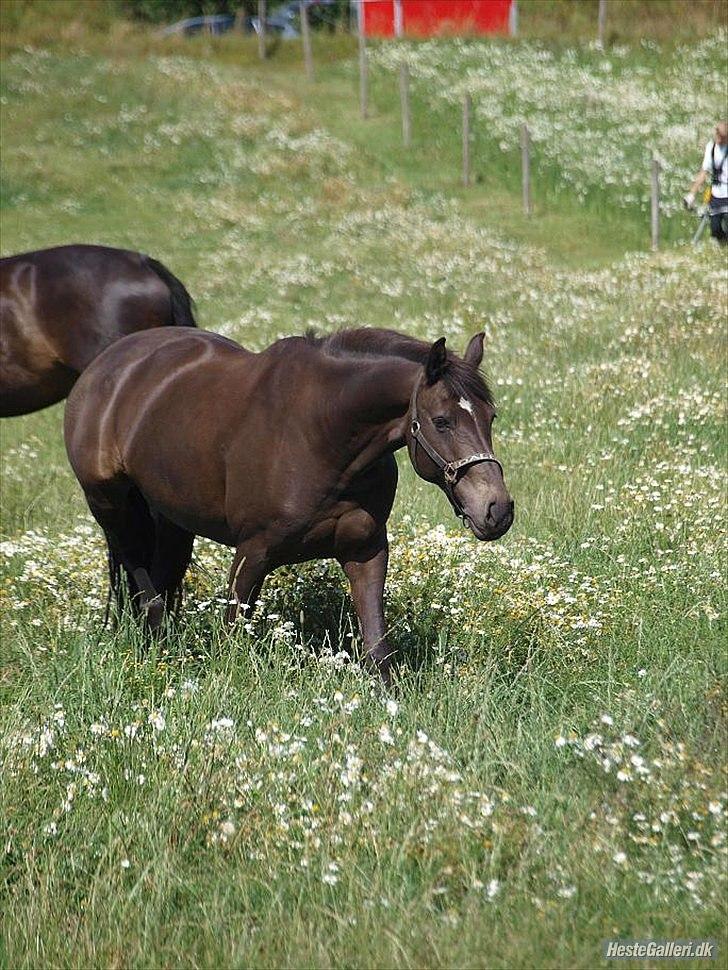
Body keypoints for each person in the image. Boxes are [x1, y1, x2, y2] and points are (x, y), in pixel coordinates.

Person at [684, 121, 728, 245]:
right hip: (716, 194)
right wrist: (691, 194)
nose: (719, 139)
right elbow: (704, 172)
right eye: (718, 135)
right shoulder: (711, 148)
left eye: (722, 137)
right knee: (715, 228)